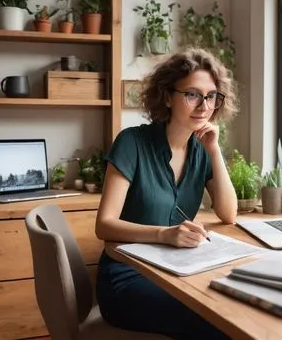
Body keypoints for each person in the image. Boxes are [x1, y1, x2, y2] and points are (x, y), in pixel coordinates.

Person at [95, 48, 239, 340]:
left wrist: (214, 149)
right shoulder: (132, 143)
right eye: (192, 95)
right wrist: (165, 234)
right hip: (129, 278)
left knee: (234, 309)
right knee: (216, 322)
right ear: (167, 96)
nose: (204, 105)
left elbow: (228, 213)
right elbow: (104, 225)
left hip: (178, 272)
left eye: (211, 96)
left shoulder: (201, 150)